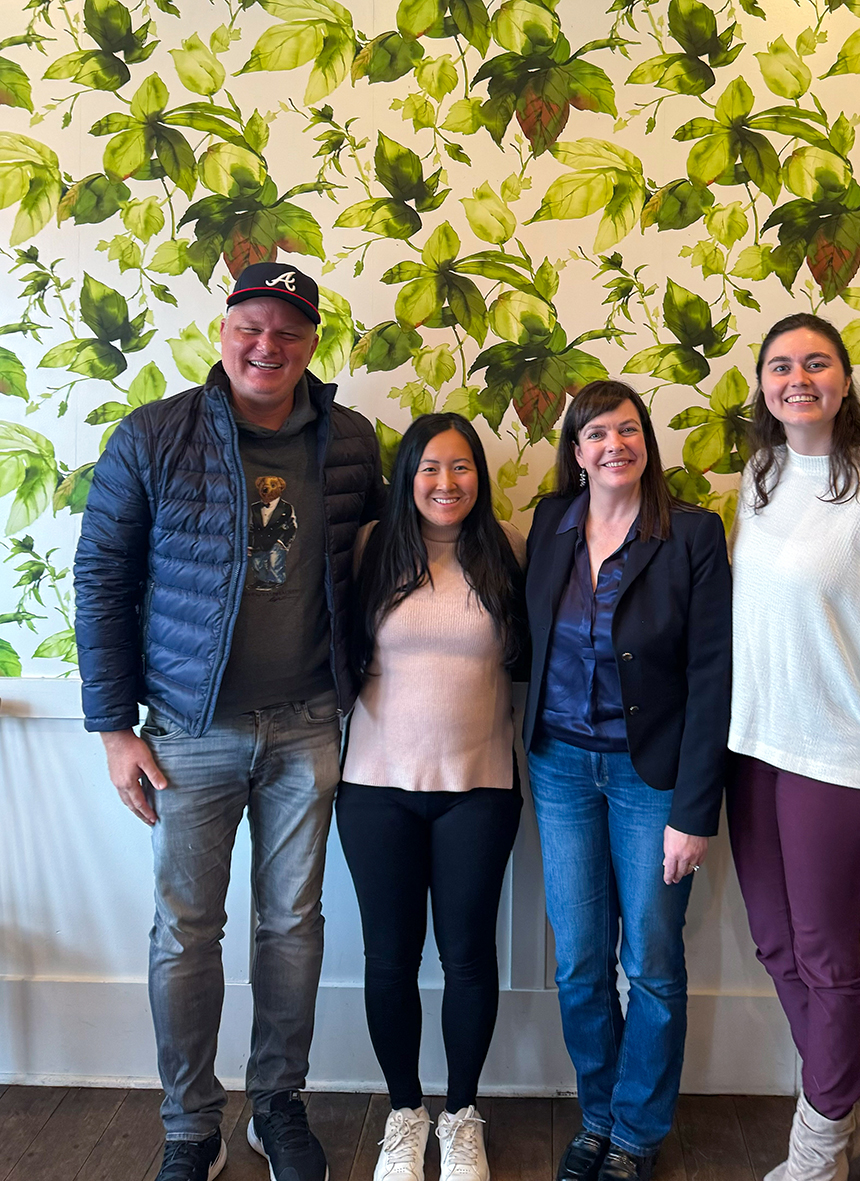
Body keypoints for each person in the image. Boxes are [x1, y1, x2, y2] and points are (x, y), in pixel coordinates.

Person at [74, 261, 384, 1181]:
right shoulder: (155, 436)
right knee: (185, 929)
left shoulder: (355, 442)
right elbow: (102, 580)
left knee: (293, 924)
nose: (267, 346)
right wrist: (111, 725)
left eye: (287, 332)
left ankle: (277, 1104)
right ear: (223, 331)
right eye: (251, 326)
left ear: (312, 344)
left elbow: (379, 568)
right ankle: (188, 1124)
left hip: (309, 723)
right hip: (185, 730)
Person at [726, 313, 860, 1181]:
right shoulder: (762, 474)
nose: (796, 378)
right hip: (752, 752)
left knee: (826, 954)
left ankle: (817, 1146)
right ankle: (850, 1108)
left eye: (816, 363)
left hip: (834, 763)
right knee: (776, 945)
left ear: (845, 382)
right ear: (765, 387)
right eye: (780, 365)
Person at [522, 381, 732, 1181]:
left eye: (629, 428)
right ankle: (599, 1116)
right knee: (578, 959)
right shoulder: (549, 525)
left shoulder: (693, 535)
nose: (616, 443)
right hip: (560, 766)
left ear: (647, 440)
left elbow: (713, 677)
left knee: (649, 960)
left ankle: (638, 1134)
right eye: (597, 432)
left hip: (654, 779)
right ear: (575, 453)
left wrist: (694, 808)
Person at [335, 413, 525, 1181]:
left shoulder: (505, 550)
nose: (447, 484)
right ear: (408, 473)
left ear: (479, 476)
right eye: (430, 469)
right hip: (375, 790)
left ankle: (463, 1115)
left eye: (462, 468)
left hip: (479, 790)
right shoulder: (369, 548)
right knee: (390, 959)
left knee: (469, 957)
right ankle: (406, 1113)